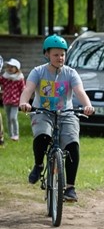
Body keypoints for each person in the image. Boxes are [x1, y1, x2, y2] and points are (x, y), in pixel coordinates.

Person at [18, 35, 95, 202]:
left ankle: (70, 188)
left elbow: (80, 92)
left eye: (62, 54)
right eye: (56, 55)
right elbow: (28, 89)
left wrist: (87, 105)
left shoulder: (71, 73)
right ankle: (39, 165)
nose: (60, 58)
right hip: (43, 112)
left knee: (73, 145)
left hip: (66, 114)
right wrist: (24, 102)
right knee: (42, 136)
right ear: (47, 54)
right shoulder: (38, 72)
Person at [1, 58, 26, 142]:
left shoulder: (19, 78)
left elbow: (23, 89)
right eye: (8, 66)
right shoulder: (4, 77)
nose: (10, 68)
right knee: (8, 118)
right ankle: (11, 135)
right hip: (6, 100)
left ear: (17, 68)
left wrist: (24, 99)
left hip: (15, 101)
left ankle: (16, 134)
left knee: (13, 118)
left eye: (12, 67)